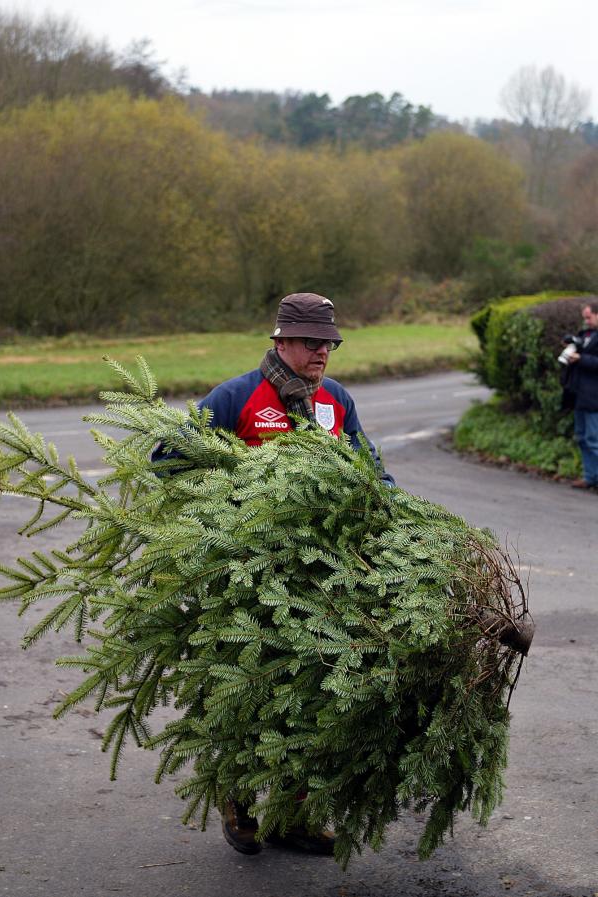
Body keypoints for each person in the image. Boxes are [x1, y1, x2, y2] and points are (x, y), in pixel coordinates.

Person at [152, 292, 395, 856]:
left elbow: (370, 467)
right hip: (247, 580)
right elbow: (167, 459)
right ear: (281, 341)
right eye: (312, 342)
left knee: (311, 694)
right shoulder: (236, 397)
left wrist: (390, 515)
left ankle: (295, 817)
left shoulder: (335, 401)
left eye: (329, 343)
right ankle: (239, 801)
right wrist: (226, 505)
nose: (322, 354)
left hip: (322, 581)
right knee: (245, 689)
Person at [563, 300, 598, 489]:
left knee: (594, 440)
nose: (586, 321)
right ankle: (590, 477)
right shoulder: (584, 335)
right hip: (579, 395)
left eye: (589, 317)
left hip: (594, 397)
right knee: (582, 437)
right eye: (584, 318)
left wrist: (581, 358)